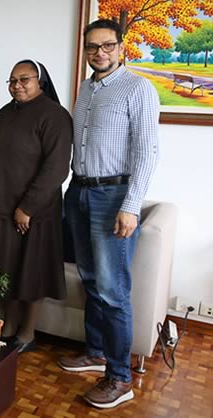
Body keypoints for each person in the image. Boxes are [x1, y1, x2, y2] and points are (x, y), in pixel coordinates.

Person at [58, 19, 159, 409]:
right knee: (90, 280)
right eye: (92, 47)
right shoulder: (86, 89)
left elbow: (147, 152)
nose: (99, 52)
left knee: (113, 291)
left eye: (107, 45)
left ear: (121, 47)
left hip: (112, 196)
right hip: (79, 192)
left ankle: (120, 378)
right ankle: (95, 352)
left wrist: (130, 206)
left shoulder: (138, 88)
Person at [0, 59, 72, 354]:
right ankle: (9, 326)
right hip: (1, 209)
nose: (17, 85)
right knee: (5, 271)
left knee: (31, 273)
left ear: (40, 81)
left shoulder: (55, 116)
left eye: (24, 79)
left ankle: (27, 334)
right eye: (12, 80)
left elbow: (56, 168)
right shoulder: (5, 113)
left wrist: (27, 207)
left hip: (35, 212)